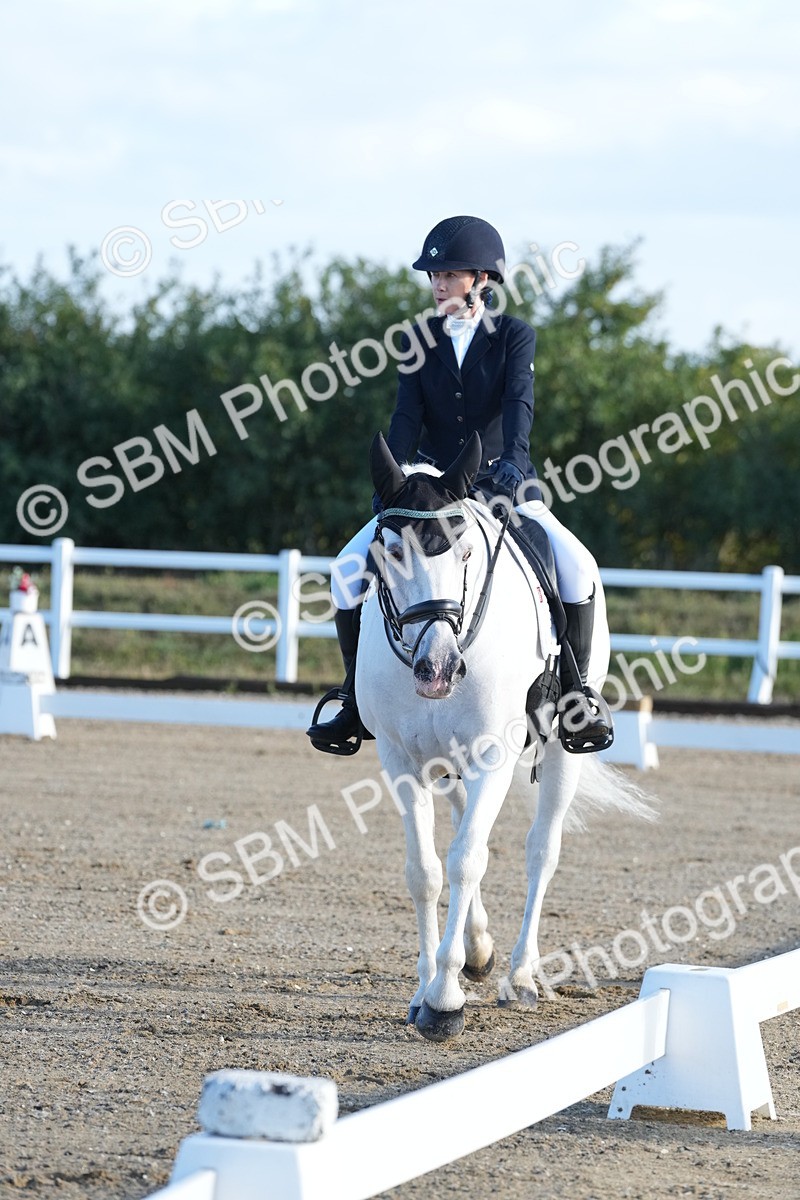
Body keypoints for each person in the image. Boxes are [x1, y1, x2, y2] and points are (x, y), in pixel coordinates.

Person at [307, 215, 611, 755]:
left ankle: (576, 693)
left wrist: (514, 461)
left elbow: (519, 404)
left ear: (481, 279)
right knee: (346, 571)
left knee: (578, 567)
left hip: (501, 479)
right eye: (435, 275)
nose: (438, 284)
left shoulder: (514, 335)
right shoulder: (416, 339)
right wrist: (394, 477)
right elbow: (406, 415)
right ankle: (353, 697)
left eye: (449, 274)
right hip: (428, 490)